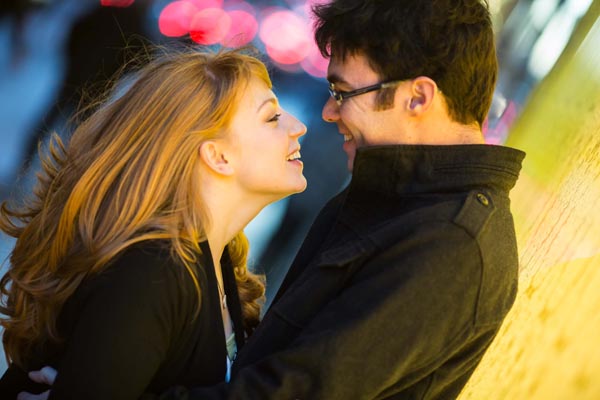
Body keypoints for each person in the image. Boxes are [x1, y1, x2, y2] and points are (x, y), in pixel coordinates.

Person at [23, 0, 527, 398]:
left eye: (343, 92)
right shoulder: (393, 199)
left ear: (417, 97)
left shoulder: (451, 244)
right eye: (271, 116)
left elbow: (295, 391)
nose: (325, 115)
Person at [0, 47, 307, 399]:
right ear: (217, 156)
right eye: (272, 118)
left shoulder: (218, 261)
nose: (298, 127)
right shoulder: (153, 271)